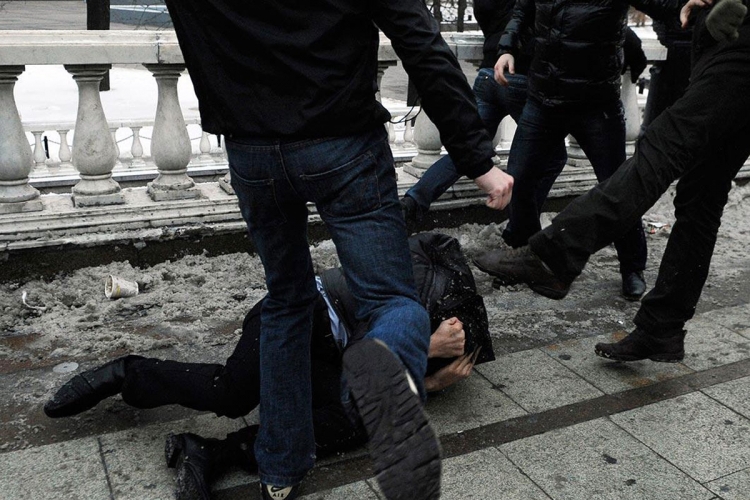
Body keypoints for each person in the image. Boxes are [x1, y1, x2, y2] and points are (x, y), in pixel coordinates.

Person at [159, 1, 514, 499]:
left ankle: (279, 470)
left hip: (251, 149)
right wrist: (477, 159)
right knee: (390, 301)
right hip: (341, 140)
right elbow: (420, 41)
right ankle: (384, 366)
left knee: (287, 300)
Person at [44, 233, 494, 500]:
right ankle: (127, 372)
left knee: (356, 419)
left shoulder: (445, 317)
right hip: (298, 313)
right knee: (231, 393)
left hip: (326, 355)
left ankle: (212, 452)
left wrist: (435, 381)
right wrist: (426, 349)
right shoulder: (410, 277)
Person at [473, 0, 748, 365]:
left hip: (738, 48)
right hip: (719, 42)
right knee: (700, 198)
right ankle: (661, 328)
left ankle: (558, 253)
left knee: (662, 147)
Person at [493, 0, 681, 301]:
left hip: (597, 105)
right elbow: (522, 11)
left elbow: (659, 4)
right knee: (520, 178)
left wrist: (690, 6)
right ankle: (527, 258)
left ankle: (632, 266)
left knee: (618, 188)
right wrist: (507, 48)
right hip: (544, 98)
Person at [401, 0, 568, 229]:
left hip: (489, 76)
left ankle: (413, 202)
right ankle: (520, 226)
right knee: (552, 157)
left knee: (467, 149)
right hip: (521, 77)